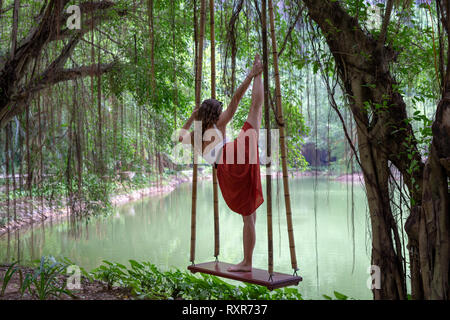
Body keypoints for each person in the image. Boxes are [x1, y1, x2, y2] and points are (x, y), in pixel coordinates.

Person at [179, 54, 264, 272]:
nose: (222, 112)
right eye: (219, 110)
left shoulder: (197, 136)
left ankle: (247, 262)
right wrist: (251, 76)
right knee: (255, 110)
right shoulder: (219, 124)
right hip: (234, 157)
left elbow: (180, 136)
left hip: (225, 171)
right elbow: (236, 100)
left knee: (249, 217)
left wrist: (191, 117)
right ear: (215, 114)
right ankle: (259, 74)